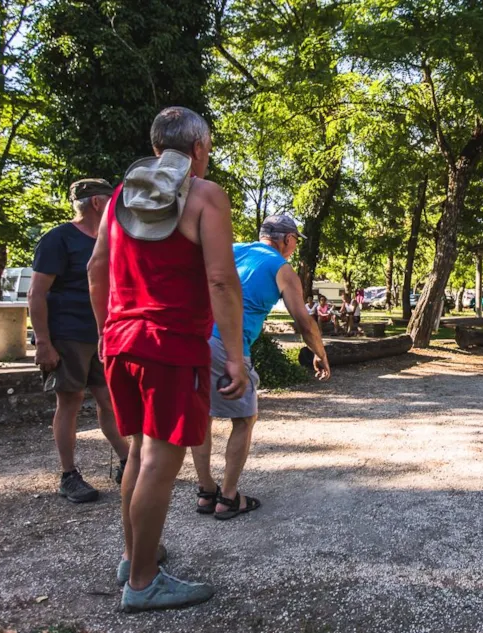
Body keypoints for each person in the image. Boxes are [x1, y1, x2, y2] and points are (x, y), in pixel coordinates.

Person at [88, 106, 248, 612]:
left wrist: (104, 330)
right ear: (198, 149)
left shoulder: (119, 198)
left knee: (138, 453)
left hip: (121, 339)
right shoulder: (204, 195)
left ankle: (136, 556)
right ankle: (142, 583)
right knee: (159, 458)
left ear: (158, 147)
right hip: (171, 344)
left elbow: (97, 268)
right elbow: (222, 280)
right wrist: (237, 357)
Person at [192, 214, 331, 521]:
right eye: (294, 241)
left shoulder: (231, 249)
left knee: (201, 413)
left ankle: (205, 491)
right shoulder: (282, 269)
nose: (294, 247)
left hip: (194, 337)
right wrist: (319, 352)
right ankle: (227, 499)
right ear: (287, 240)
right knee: (244, 417)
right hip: (226, 344)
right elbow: (303, 321)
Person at [28, 179, 130, 503]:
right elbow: (36, 293)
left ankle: (128, 462)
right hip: (68, 335)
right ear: (98, 203)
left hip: (102, 334)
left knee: (109, 399)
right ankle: (68, 476)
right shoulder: (59, 239)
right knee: (69, 403)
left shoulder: (109, 240)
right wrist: (43, 342)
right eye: (112, 200)